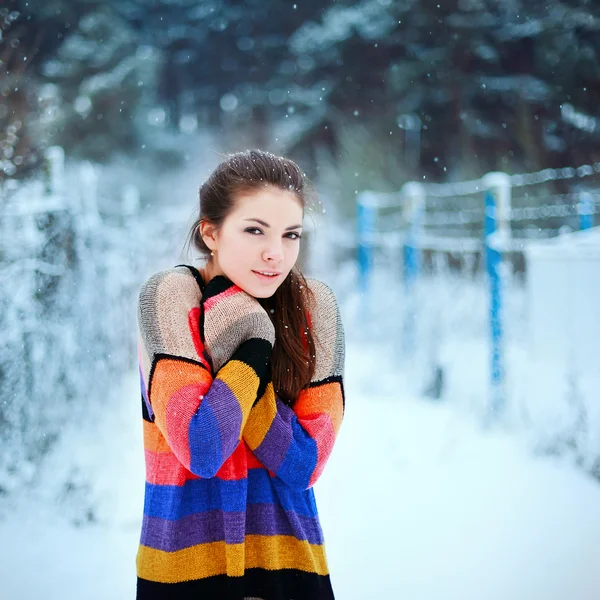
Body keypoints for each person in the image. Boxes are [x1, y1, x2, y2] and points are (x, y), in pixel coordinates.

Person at [135, 149, 346, 600]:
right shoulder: (170, 298)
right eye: (254, 230)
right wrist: (250, 348)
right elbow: (203, 445)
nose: (276, 253)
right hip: (185, 570)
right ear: (210, 232)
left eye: (291, 235)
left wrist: (240, 335)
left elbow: (303, 463)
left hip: (289, 569)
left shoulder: (315, 308)